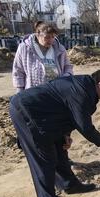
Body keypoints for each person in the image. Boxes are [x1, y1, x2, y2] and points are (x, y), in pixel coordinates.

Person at [9, 69, 100, 197]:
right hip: (27, 111)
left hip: (46, 115)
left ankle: (69, 185)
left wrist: (65, 134)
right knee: (45, 158)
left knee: (60, 148)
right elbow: (83, 125)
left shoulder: (84, 86)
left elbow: (66, 111)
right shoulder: (82, 92)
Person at [12, 21, 76, 167]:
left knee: (58, 125)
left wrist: (65, 78)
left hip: (55, 94)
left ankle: (62, 157)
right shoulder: (25, 48)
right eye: (47, 37)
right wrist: (19, 92)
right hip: (33, 95)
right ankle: (43, 159)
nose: (50, 41)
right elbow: (18, 70)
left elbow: (68, 67)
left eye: (53, 37)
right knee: (39, 127)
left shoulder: (59, 48)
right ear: (38, 34)